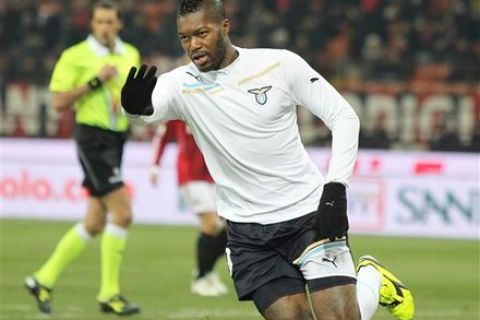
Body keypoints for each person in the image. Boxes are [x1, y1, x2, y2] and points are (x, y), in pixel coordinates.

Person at [121, 0, 415, 319]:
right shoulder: (180, 84)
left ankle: (370, 278)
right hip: (248, 234)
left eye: (201, 33)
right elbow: (145, 114)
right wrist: (132, 108)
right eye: (185, 38)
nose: (193, 45)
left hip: (307, 215)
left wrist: (336, 189)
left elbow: (344, 117)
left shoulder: (279, 66)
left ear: (224, 26)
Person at [24, 1, 140, 316]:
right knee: (123, 213)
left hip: (117, 139)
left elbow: (132, 98)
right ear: (92, 24)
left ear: (118, 25)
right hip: (92, 139)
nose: (104, 27)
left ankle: (41, 278)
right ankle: (109, 293)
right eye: (99, 21)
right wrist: (94, 82)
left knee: (94, 221)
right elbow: (59, 101)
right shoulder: (75, 56)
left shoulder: (130, 54)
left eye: (109, 21)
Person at [149, 120, 228, 296]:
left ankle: (208, 271)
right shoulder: (180, 103)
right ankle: (200, 277)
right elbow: (162, 135)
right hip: (191, 175)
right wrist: (155, 165)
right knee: (212, 225)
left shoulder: (217, 100)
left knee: (232, 229)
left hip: (216, 175)